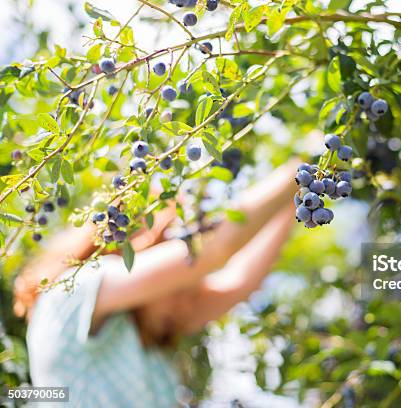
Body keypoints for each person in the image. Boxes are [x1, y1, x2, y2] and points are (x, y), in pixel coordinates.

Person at [13, 160, 300, 407]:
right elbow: (211, 252)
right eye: (180, 280)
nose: (192, 295)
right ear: (139, 252)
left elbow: (239, 280)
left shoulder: (139, 333)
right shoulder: (72, 294)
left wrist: (301, 187)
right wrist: (299, 168)